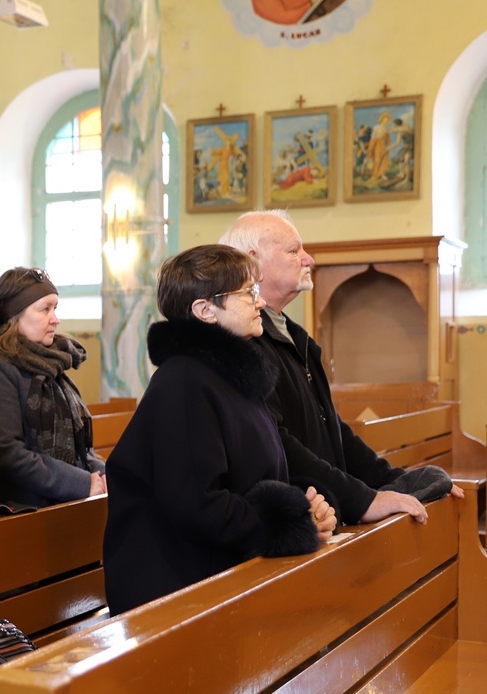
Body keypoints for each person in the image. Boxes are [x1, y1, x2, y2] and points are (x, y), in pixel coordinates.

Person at [102, 245, 334, 616]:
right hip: (176, 594)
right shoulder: (185, 383)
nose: (259, 303)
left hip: (223, 575)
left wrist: (304, 513)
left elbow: (259, 475)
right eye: (247, 293)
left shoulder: (232, 379)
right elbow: (198, 505)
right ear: (205, 311)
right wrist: (290, 526)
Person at [219, 210, 462, 525]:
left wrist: (401, 484)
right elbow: (279, 445)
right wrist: (363, 501)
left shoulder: (293, 336)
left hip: (324, 510)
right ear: (254, 263)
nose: (309, 260)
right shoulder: (244, 344)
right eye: (294, 251)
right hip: (294, 518)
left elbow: (333, 432)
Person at [0, 268, 106, 508]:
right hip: (24, 509)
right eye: (45, 309)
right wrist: (81, 483)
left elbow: (78, 445)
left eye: (55, 309)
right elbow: (8, 454)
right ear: (15, 316)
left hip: (69, 502)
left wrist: (101, 474)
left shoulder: (51, 363)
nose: (55, 319)